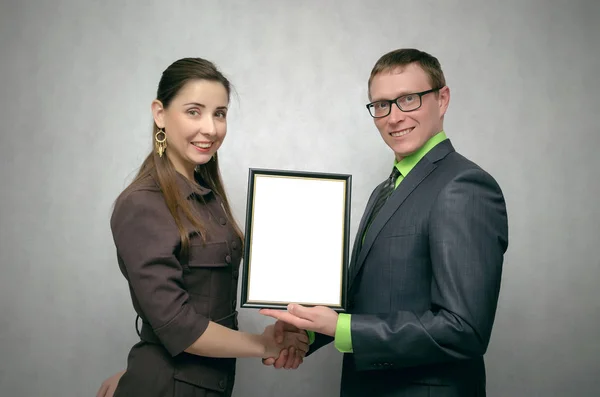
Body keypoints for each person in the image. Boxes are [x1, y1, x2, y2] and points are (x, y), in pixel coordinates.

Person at [261, 48, 509, 397]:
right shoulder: (385, 190)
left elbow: (463, 329)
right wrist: (308, 332)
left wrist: (344, 328)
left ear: (442, 99)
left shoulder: (463, 186)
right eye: (381, 105)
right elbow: (370, 301)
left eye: (408, 99)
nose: (394, 117)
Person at [95, 57, 308, 397]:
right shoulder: (143, 203)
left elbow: (198, 298)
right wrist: (264, 344)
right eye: (194, 111)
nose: (210, 128)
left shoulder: (206, 196)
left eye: (219, 113)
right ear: (160, 113)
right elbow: (177, 325)